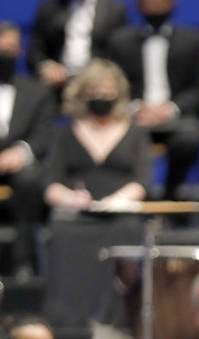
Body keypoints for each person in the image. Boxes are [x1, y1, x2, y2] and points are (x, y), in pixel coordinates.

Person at [106, 0, 199, 199]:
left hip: (176, 119)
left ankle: (171, 194)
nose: (155, 6)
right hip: (134, 118)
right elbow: (114, 85)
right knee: (114, 136)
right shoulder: (120, 41)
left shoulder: (192, 40)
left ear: (173, 5)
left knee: (191, 136)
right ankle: (130, 194)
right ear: (139, 6)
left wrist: (170, 109)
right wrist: (137, 108)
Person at [42, 59, 150, 215]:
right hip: (74, 216)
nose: (101, 97)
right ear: (82, 94)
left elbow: (142, 180)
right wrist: (70, 198)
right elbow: (51, 184)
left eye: (107, 93)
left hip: (122, 214)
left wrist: (119, 200)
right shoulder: (63, 134)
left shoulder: (136, 134)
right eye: (95, 92)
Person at [0, 22, 55, 276]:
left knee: (31, 179)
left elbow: (43, 136)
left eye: (10, 49)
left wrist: (20, 153)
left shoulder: (37, 92)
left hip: (17, 163)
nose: (5, 54)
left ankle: (23, 262)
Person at [25, 0, 126, 96]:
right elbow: (35, 50)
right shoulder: (50, 7)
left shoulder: (114, 10)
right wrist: (46, 65)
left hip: (98, 84)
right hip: (58, 85)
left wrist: (104, 73)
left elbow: (121, 55)